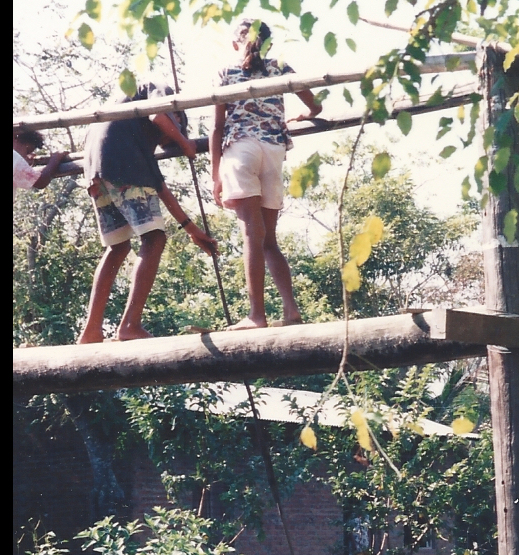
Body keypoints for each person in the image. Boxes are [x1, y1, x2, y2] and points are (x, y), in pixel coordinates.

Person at [78, 82, 218, 344]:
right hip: (118, 160)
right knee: (154, 239)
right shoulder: (154, 90)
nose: (162, 143)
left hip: (96, 166)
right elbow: (159, 114)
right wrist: (183, 141)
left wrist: (192, 230)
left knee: (117, 247)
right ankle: (130, 324)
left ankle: (92, 330)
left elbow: (159, 187)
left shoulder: (135, 135)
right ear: (176, 117)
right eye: (164, 139)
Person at [210, 19, 323, 330]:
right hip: (273, 150)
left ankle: (256, 315)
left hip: (242, 150)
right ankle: (290, 309)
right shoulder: (281, 68)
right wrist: (304, 115)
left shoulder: (226, 72)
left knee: (251, 235)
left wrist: (215, 175)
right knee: (268, 239)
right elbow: (316, 105)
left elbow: (218, 127)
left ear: (236, 44)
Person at [13, 129, 68, 203]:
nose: (25, 156)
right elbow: (40, 182)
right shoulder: (14, 157)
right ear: (15, 138)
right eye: (27, 151)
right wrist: (55, 158)